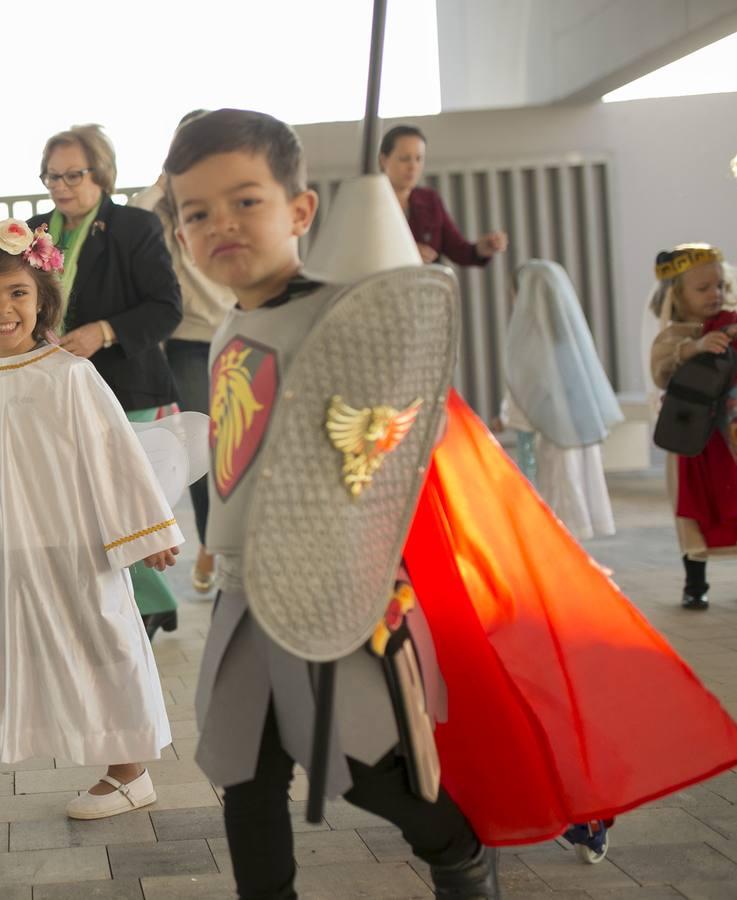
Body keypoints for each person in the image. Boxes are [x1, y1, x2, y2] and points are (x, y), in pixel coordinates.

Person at [168, 108, 737, 900]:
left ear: (299, 210)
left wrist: (379, 334)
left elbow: (407, 405)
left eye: (244, 201)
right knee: (245, 770)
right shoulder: (230, 324)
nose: (220, 224)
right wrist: (214, 535)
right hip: (241, 590)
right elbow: (246, 449)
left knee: (368, 773)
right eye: (197, 212)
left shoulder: (342, 312)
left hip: (331, 591)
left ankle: (461, 858)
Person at [0, 217, 180, 828]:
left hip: (74, 544)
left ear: (41, 299)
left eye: (16, 293)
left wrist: (148, 532)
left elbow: (114, 452)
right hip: (10, 552)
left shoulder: (70, 374)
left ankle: (130, 774)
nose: (3, 309)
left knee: (98, 646)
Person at [29, 124, 184, 638]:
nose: (60, 186)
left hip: (126, 384)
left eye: (73, 174)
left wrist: (106, 331)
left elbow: (166, 308)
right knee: (80, 507)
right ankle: (129, 606)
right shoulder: (33, 232)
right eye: (52, 176)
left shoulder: (132, 228)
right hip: (56, 390)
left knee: (125, 500)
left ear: (102, 173)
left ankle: (150, 603)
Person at [130, 111, 236, 595]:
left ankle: (226, 546)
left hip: (238, 330)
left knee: (241, 446)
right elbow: (136, 213)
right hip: (190, 341)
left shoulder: (226, 195)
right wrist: (165, 179)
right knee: (205, 449)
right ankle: (213, 543)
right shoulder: (168, 204)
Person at [498, 260, 622, 539]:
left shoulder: (527, 344)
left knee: (557, 507)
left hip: (550, 439)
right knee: (574, 505)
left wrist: (505, 418)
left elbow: (523, 392)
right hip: (580, 436)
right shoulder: (573, 340)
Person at [648, 243, 737, 610]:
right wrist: (694, 347)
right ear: (677, 295)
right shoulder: (673, 335)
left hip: (729, 436)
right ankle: (694, 582)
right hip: (693, 440)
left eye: (718, 286)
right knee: (692, 511)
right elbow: (660, 369)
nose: (714, 295)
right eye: (702, 289)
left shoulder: (731, 323)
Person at [378, 125, 508, 267]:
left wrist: (482, 248)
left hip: (426, 285)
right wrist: (406, 254)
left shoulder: (430, 200)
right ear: (383, 160)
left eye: (419, 158)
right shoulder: (369, 203)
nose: (413, 166)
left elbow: (459, 251)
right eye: (404, 159)